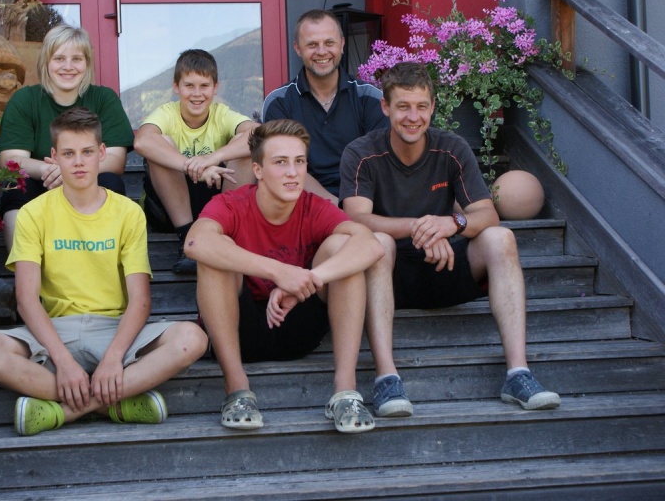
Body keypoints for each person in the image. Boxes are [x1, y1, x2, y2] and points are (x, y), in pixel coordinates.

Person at [339, 62, 560, 417]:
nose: (413, 117)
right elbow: (355, 218)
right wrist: (422, 227)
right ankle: (386, 378)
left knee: (501, 238)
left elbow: (487, 214)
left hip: (445, 263)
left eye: (421, 106)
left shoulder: (452, 147)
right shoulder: (361, 152)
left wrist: (451, 223)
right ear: (385, 107)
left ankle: (518, 373)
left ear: (433, 107)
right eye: (403, 107)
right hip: (389, 274)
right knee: (377, 242)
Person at [0, 107, 208, 436]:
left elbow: (140, 300)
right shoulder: (32, 214)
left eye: (86, 152)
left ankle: (63, 411)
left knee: (192, 339)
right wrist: (63, 362)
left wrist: (113, 358)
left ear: (101, 153)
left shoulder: (128, 212)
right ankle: (115, 404)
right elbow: (26, 299)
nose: (79, 162)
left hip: (115, 329)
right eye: (68, 154)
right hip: (55, 332)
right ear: (54, 157)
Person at [184, 119, 385, 433]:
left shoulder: (314, 207)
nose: (293, 172)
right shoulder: (232, 204)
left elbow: (370, 244)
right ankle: (236, 389)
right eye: (280, 163)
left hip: (299, 326)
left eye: (299, 162)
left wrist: (308, 279)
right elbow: (195, 243)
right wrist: (280, 272)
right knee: (216, 252)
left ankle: (345, 392)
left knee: (343, 248)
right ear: (258, 170)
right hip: (241, 328)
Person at [0, 24, 132, 252]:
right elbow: (11, 160)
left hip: (89, 183)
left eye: (76, 59)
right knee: (16, 186)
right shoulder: (25, 100)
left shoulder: (104, 99)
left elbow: (115, 160)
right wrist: (50, 171)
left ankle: (104, 263)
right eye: (59, 58)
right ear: (46, 62)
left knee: (111, 182)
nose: (68, 67)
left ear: (87, 63)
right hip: (43, 182)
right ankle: (24, 267)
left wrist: (71, 171)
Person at [134, 49, 259, 274]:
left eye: (204, 86)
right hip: (167, 211)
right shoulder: (167, 113)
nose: (197, 94)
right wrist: (192, 166)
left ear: (215, 87)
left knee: (246, 147)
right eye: (189, 86)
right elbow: (142, 141)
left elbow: (259, 135)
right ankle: (187, 239)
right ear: (176, 87)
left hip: (213, 202)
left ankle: (225, 232)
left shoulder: (221, 113)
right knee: (161, 142)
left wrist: (213, 158)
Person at [262, 9, 389, 205]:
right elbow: (284, 167)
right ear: (298, 48)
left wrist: (353, 208)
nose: (322, 51)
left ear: (342, 44)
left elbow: (378, 164)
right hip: (301, 204)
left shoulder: (370, 98)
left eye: (329, 43)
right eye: (312, 44)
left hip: (362, 201)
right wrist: (336, 207)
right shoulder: (279, 102)